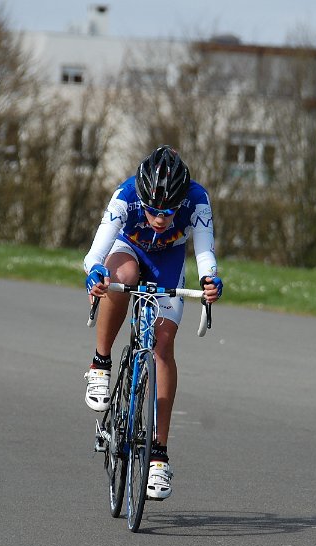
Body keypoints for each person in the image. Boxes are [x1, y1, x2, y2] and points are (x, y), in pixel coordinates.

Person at [83, 145, 222, 500]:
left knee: (163, 344)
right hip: (129, 249)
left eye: (168, 212)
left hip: (168, 262)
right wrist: (96, 272)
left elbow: (205, 250)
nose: (160, 219)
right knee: (122, 276)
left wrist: (209, 279)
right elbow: (96, 252)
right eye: (153, 210)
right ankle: (101, 362)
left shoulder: (197, 200)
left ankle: (158, 453)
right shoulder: (125, 196)